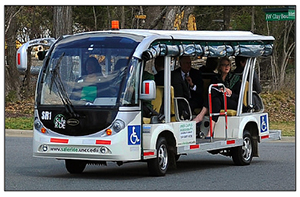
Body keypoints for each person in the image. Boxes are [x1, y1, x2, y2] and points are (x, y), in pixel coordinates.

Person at [193, 57, 241, 137]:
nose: (226, 67)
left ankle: (201, 115)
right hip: (219, 102)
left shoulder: (235, 78)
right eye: (224, 65)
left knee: (215, 93)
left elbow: (238, 96)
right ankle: (210, 132)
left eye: (228, 65)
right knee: (215, 99)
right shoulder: (215, 78)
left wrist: (230, 93)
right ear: (220, 67)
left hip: (232, 102)